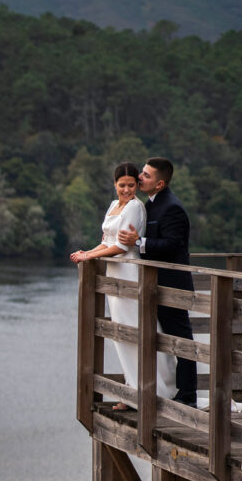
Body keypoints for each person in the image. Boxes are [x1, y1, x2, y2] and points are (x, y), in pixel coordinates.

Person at [71, 162, 177, 409]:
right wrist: (86, 251)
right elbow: (106, 240)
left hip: (129, 273)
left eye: (131, 185)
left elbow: (122, 247)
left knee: (136, 332)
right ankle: (132, 391)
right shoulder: (113, 206)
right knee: (122, 335)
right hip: (114, 276)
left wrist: (90, 258)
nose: (127, 190)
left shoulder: (135, 208)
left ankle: (154, 390)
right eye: (122, 185)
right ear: (115, 185)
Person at [117, 157, 197, 407]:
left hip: (172, 285)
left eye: (146, 175)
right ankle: (161, 389)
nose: (141, 177)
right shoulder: (150, 204)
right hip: (154, 285)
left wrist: (139, 242)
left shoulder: (172, 207)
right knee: (159, 338)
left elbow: (174, 245)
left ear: (160, 183)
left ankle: (187, 395)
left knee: (181, 342)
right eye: (142, 172)